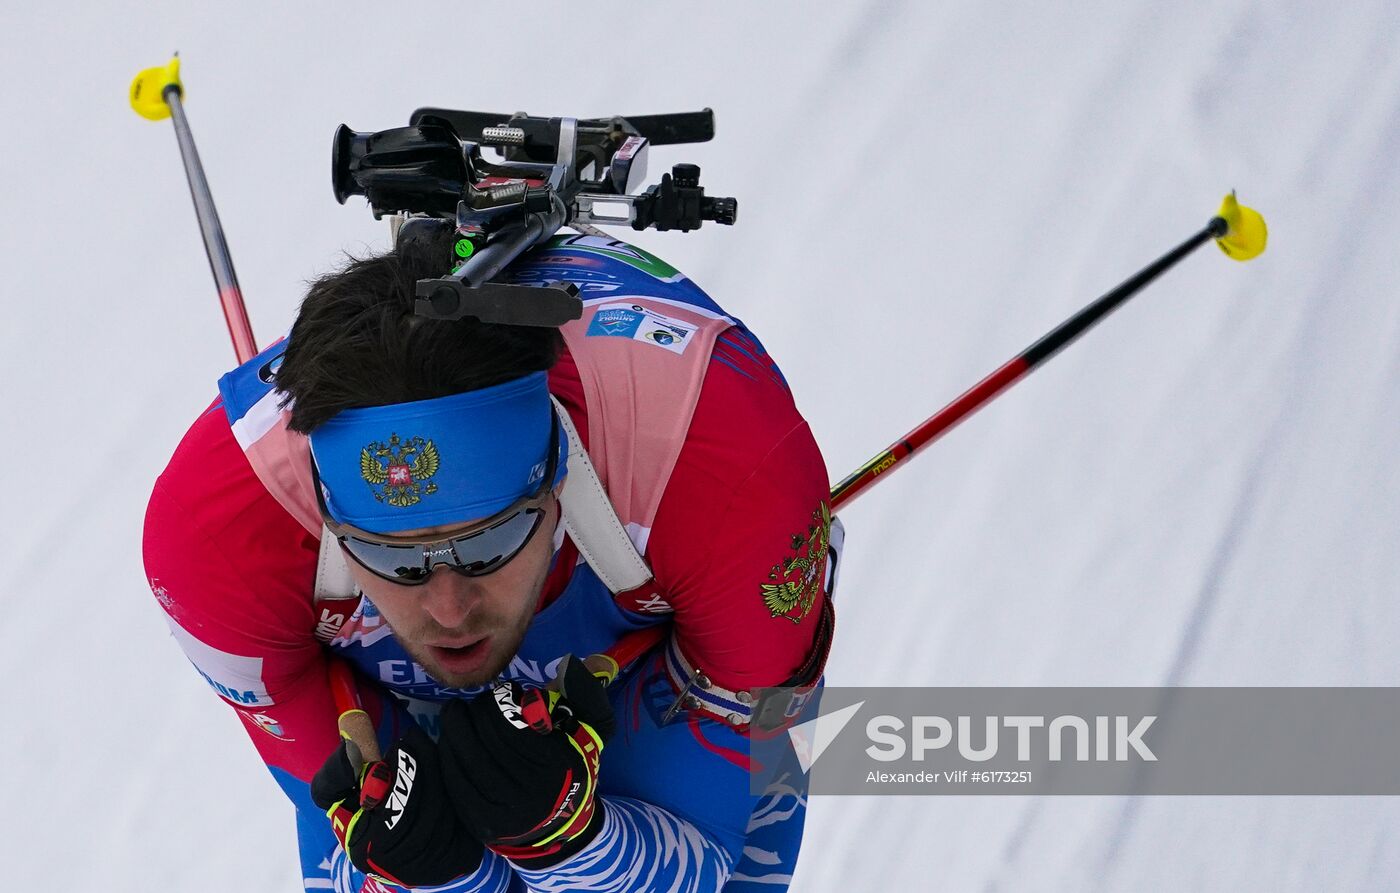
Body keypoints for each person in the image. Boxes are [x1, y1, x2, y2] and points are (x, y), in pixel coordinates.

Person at [143, 222, 840, 892]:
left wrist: (573, 843)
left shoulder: (725, 478)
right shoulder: (215, 540)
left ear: (555, 480)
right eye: (392, 558)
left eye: (489, 544)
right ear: (328, 518)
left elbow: (707, 842)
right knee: (402, 849)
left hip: (664, 635)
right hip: (401, 685)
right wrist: (447, 877)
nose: (449, 608)